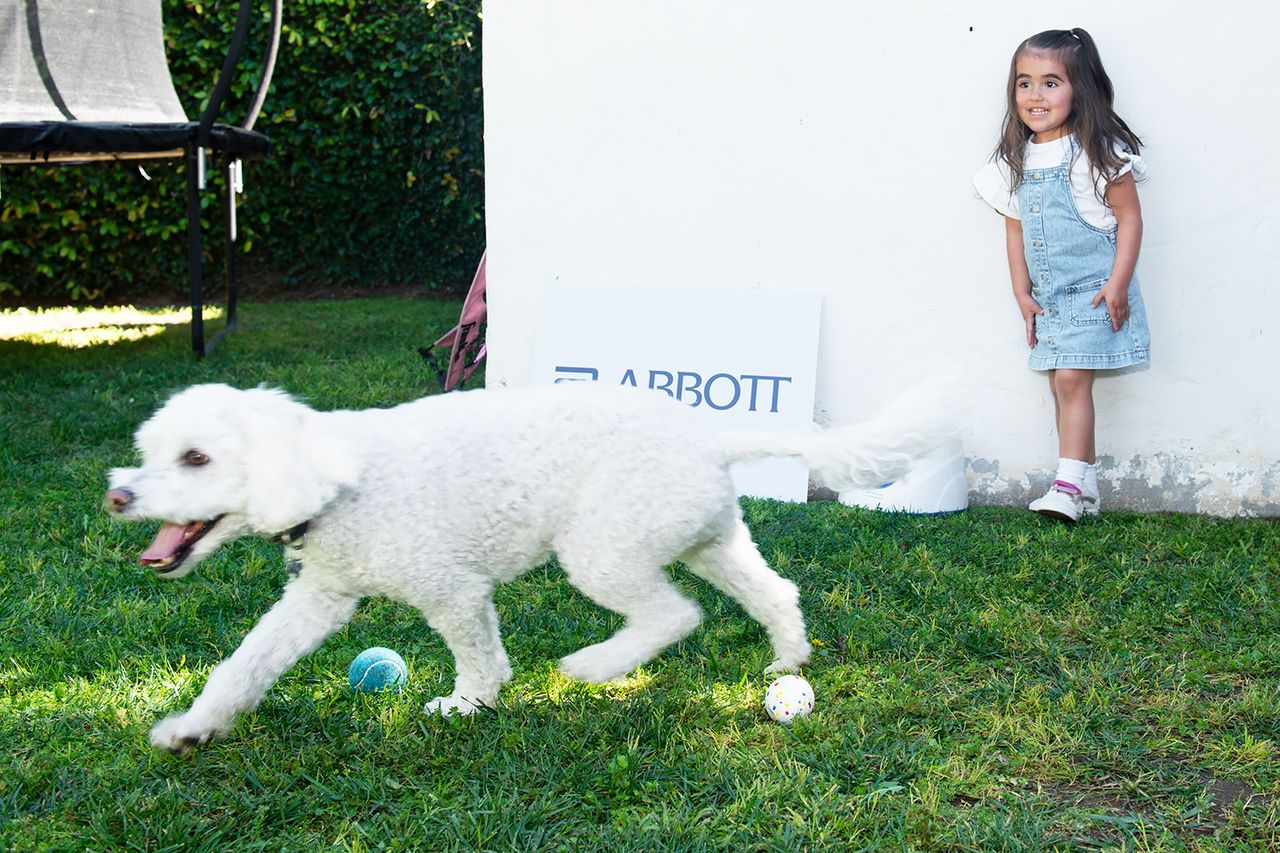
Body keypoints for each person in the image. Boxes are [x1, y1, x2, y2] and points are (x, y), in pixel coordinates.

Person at [974, 27, 1150, 522]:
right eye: (1024, 83)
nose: (1035, 95)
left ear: (1080, 87)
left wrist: (1117, 283)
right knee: (1062, 383)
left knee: (1072, 377)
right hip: (1050, 295)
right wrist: (1021, 291)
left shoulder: (1097, 151)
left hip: (1095, 291)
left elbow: (1130, 218)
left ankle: (1067, 486)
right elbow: (1016, 231)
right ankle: (1083, 483)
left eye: (1051, 83)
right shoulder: (1016, 160)